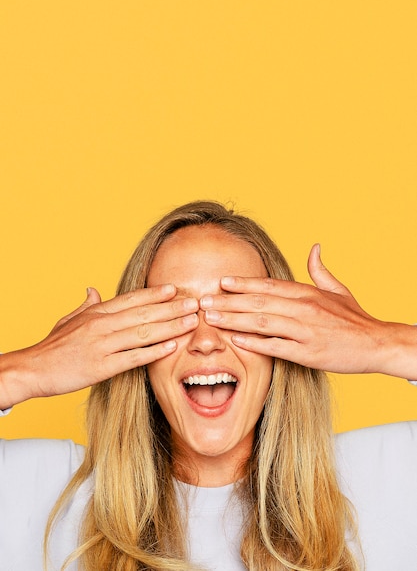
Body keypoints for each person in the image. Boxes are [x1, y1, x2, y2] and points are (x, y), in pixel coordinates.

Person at [0, 200, 416, 571]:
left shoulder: (387, 479)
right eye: (173, 316)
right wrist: (30, 368)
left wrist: (380, 342)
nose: (204, 341)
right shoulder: (45, 492)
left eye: (235, 313)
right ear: (131, 344)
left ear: (287, 340)